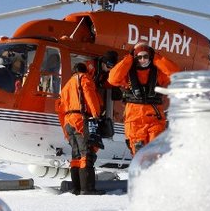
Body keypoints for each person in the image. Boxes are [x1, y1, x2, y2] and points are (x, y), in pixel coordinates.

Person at [107, 43, 180, 154]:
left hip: (154, 120)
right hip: (135, 121)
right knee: (139, 156)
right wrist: (129, 58)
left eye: (146, 56)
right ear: (135, 57)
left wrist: (156, 57)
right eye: (139, 57)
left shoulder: (158, 74)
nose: (143, 60)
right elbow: (112, 78)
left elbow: (175, 73)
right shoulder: (127, 75)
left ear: (150, 57)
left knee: (156, 154)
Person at [57, 62, 104, 195]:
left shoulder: (66, 86)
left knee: (76, 156)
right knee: (86, 154)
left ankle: (76, 188)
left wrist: (65, 130)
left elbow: (59, 108)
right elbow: (89, 95)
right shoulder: (84, 78)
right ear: (85, 71)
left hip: (68, 122)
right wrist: (96, 114)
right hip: (80, 120)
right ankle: (87, 189)